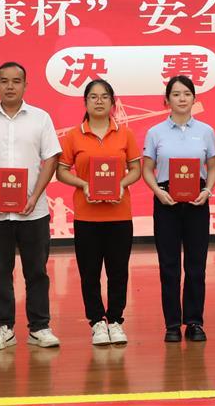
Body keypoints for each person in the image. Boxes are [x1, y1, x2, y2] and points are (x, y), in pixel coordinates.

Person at [0, 62, 62, 350]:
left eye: (16, 81)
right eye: (4, 81)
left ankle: (39, 327)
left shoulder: (41, 119)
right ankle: (3, 327)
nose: (10, 86)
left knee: (37, 272)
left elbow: (51, 159)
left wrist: (35, 196)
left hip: (34, 212)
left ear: (25, 85)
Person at [56, 79, 141, 346]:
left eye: (105, 96)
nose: (99, 101)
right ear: (85, 102)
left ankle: (115, 320)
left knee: (118, 272)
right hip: (87, 216)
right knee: (89, 273)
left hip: (119, 215)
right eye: (93, 97)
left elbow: (136, 170)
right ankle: (97, 322)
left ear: (113, 102)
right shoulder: (74, 135)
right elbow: (61, 171)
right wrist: (83, 184)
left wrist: (121, 184)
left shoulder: (125, 134)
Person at [142, 75, 215, 343]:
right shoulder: (155, 132)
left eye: (187, 93)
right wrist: (158, 192)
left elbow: (212, 167)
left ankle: (195, 322)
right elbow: (147, 169)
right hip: (167, 201)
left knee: (196, 265)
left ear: (194, 98)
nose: (182, 99)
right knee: (169, 266)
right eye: (176, 94)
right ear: (167, 100)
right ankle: (172, 324)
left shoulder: (206, 131)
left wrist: (207, 191)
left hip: (197, 200)